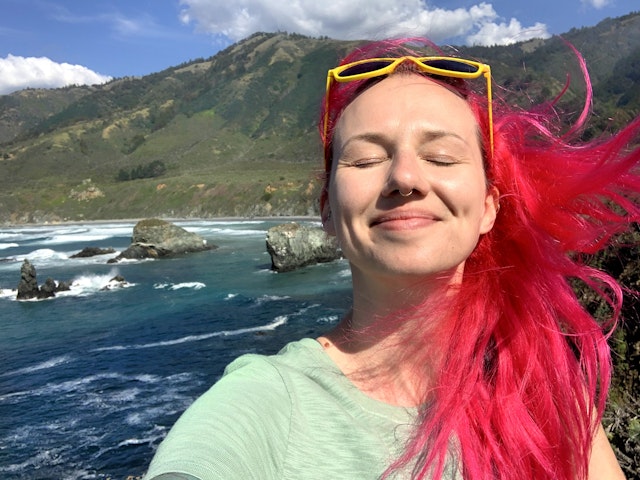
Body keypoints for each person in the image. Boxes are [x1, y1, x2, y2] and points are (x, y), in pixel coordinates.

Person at [144, 38, 637, 479]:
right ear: (328, 212)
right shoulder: (265, 402)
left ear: (488, 206)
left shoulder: (546, 387)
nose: (405, 176)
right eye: (365, 159)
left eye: (442, 157)